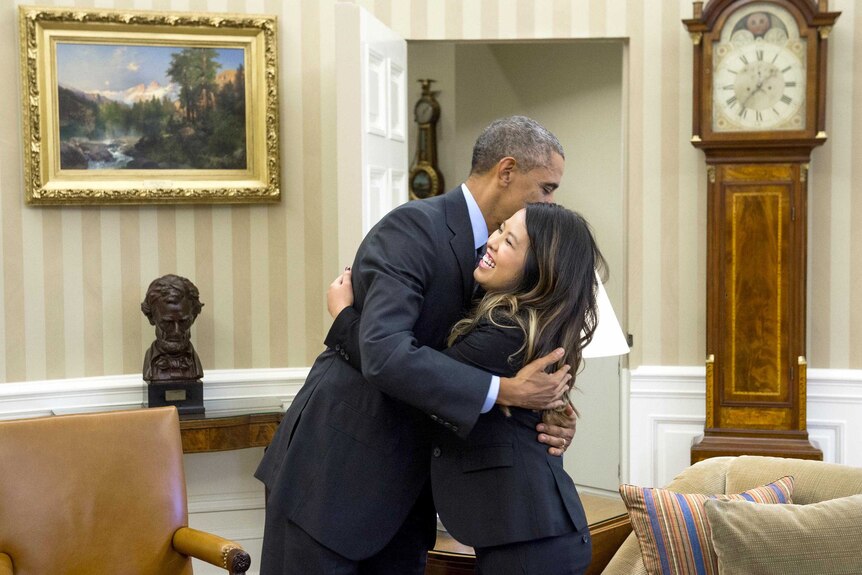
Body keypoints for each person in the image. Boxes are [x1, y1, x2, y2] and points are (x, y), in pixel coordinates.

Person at [255, 116, 578, 574]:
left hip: (411, 495)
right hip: (331, 480)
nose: (550, 201)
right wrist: (504, 391)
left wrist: (550, 414)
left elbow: (488, 355)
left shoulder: (514, 262)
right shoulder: (411, 228)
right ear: (506, 171)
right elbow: (387, 355)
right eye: (546, 187)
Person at [329, 203, 602, 574]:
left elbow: (413, 381)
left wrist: (345, 319)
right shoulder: (523, 322)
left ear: (538, 270)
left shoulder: (508, 332)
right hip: (531, 533)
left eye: (508, 241)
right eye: (499, 229)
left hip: (529, 538)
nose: (489, 242)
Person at [140, 274, 204, 382]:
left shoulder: (194, 363)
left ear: (194, 317)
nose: (176, 331)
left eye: (184, 322)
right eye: (167, 323)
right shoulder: (149, 364)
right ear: (151, 318)